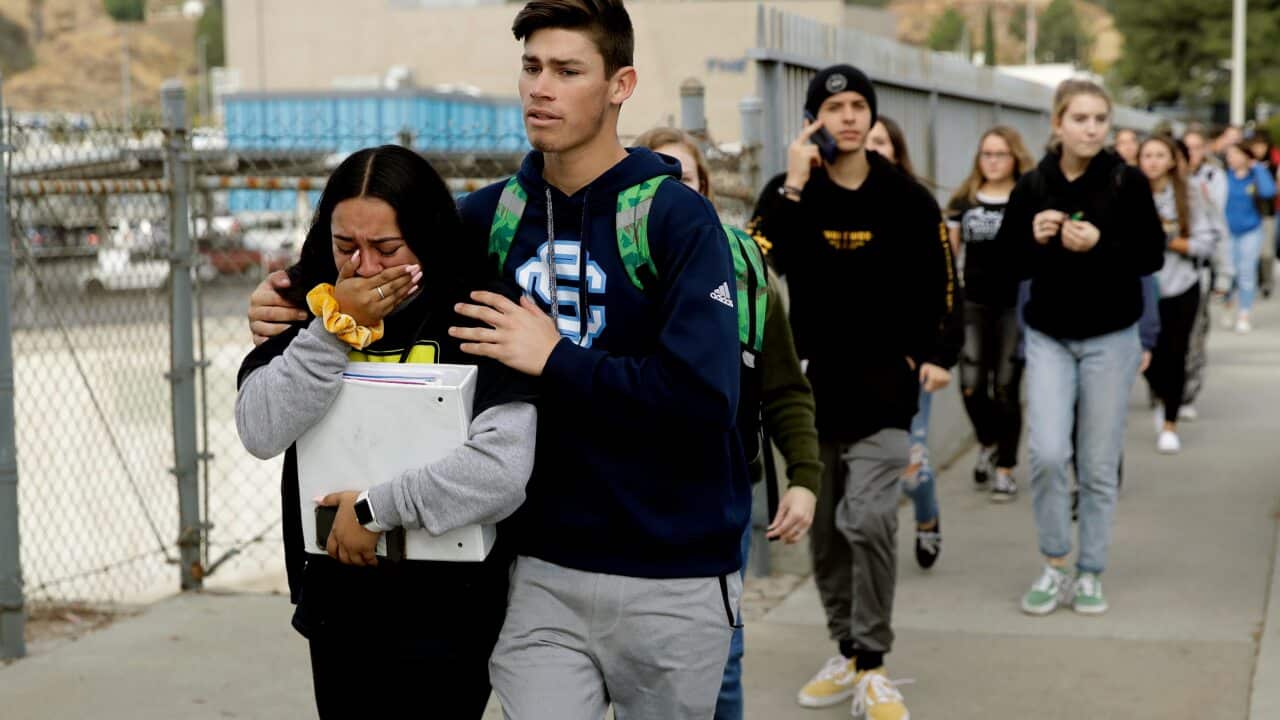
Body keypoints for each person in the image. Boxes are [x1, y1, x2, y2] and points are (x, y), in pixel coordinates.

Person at [450, 2, 754, 717]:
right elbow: (383, 281)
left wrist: (555, 359)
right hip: (540, 575)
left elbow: (704, 398)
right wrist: (294, 307)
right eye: (530, 67)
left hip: (672, 577)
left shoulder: (677, 218)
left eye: (566, 70)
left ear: (621, 85)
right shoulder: (488, 218)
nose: (540, 88)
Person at [234, 145, 539, 719]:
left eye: (387, 249)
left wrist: (376, 510)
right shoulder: (305, 301)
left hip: (452, 607)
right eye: (346, 247)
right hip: (340, 601)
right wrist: (333, 330)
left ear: (426, 236)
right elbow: (260, 429)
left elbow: (501, 471)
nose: (365, 268)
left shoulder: (476, 307)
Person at [748, 64, 953, 719]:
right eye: (834, 107)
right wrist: (797, 184)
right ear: (814, 120)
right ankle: (845, 648)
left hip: (886, 391)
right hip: (813, 394)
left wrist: (935, 355)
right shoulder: (791, 192)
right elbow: (755, 260)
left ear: (871, 116)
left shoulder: (907, 198)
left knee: (865, 519)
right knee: (827, 537)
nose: (849, 116)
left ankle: (872, 662)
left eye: (859, 104)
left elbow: (944, 284)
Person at [633, 126, 821, 720]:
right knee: (634, 661)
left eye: (683, 178)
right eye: (657, 180)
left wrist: (803, 477)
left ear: (706, 191)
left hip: (719, 493)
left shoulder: (744, 267)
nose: (673, 191)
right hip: (626, 492)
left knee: (722, 653)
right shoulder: (617, 271)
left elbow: (784, 384)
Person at [996, 79, 1164, 617]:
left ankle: (1090, 570)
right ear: (1057, 123)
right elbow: (1006, 263)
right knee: (1046, 453)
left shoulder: (1125, 180)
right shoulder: (1033, 184)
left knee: (1096, 462)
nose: (1091, 128)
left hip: (1111, 338)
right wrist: (1033, 236)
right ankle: (1054, 562)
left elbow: (1151, 256)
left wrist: (1101, 244)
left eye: (1099, 119)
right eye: (1080, 118)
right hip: (1047, 334)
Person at [866, 115, 961, 569]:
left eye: (880, 141)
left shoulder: (916, 204)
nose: (870, 148)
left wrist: (940, 355)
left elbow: (946, 286)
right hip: (854, 362)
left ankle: (926, 515)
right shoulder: (831, 204)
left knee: (911, 463)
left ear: (895, 148)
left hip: (911, 358)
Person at [945, 126, 1035, 502]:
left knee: (1006, 386)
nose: (993, 161)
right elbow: (949, 257)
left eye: (1000, 154)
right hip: (974, 305)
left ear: (1014, 157)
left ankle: (1005, 469)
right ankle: (987, 441)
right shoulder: (964, 200)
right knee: (969, 384)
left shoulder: (1027, 196)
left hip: (1014, 304)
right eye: (986, 153)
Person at [1137, 135, 1214, 454]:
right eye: (1147, 155)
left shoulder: (1192, 194)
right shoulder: (1127, 193)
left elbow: (1206, 242)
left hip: (1181, 284)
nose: (1153, 161)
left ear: (1172, 160)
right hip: (1140, 287)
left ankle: (1170, 423)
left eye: (1160, 155)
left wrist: (1168, 239)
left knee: (1176, 352)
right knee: (1147, 357)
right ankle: (1160, 392)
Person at [1180, 128, 1230, 420]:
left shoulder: (1209, 183)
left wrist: (1225, 275)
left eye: (1196, 148)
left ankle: (1186, 392)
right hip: (1162, 277)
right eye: (1186, 148)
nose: (1191, 154)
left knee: (1194, 337)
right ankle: (1166, 390)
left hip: (1197, 271)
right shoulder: (1158, 184)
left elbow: (1219, 233)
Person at [1222, 140, 1278, 333]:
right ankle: (1228, 304)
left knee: (1246, 272)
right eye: (1229, 155)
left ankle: (1244, 313)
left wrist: (1256, 167)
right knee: (1229, 272)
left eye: (1236, 154)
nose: (1232, 158)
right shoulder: (1224, 176)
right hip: (1227, 231)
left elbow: (1269, 191)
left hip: (1251, 230)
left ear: (1246, 156)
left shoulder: (1254, 177)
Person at [1247, 130, 1279, 298]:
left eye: (1261, 146)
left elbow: (1271, 191)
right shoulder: (1247, 165)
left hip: (1268, 212)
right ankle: (1257, 280)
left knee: (1267, 251)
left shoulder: (1274, 164)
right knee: (1253, 252)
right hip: (1250, 213)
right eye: (1255, 146)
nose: (1258, 149)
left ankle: (1267, 281)